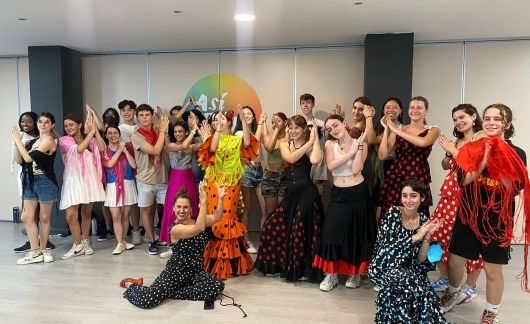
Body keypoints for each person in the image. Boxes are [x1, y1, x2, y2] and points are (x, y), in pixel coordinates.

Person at [441, 104, 529, 324]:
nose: (491, 122)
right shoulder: (472, 148)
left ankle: (491, 311)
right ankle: (454, 291)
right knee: (454, 261)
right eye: (487, 118)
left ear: (506, 124)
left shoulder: (517, 153)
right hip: (469, 214)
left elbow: (513, 187)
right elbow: (464, 180)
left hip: (497, 220)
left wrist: (498, 159)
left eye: (497, 119)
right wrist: (482, 161)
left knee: (492, 269)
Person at [120, 182, 225, 309]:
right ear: (173, 208)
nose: (182, 210)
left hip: (196, 271)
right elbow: (198, 229)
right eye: (179, 207)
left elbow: (217, 217)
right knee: (147, 301)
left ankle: (170, 292)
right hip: (176, 272)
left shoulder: (198, 220)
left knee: (216, 286)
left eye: (185, 207)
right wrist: (203, 202)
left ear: (191, 209)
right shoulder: (175, 229)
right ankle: (131, 284)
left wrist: (221, 199)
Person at [368, 179, 447, 323]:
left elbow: (421, 260)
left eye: (413, 195)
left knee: (421, 288)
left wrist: (427, 237)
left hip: (411, 268)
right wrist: (416, 236)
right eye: (404, 195)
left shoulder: (424, 220)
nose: (408, 200)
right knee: (409, 283)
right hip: (384, 266)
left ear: (422, 198)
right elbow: (388, 251)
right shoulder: (392, 214)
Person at [256, 115, 324, 281]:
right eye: (290, 127)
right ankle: (276, 265)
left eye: (297, 128)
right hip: (291, 193)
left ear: (304, 130)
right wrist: (309, 142)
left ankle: (303, 270)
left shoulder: (309, 146)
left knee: (300, 230)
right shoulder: (285, 143)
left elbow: (316, 159)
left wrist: (314, 139)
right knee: (271, 225)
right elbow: (290, 158)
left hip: (307, 193)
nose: (293, 131)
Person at [313, 115, 376, 291]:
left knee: (355, 234)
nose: (334, 129)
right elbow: (332, 166)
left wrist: (359, 146)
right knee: (331, 232)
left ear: (344, 124)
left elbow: (356, 169)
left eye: (336, 125)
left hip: (358, 193)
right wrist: (351, 152)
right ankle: (331, 275)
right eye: (329, 128)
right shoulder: (329, 145)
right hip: (339, 194)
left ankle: (354, 273)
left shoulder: (360, 142)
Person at [429, 104, 485, 301]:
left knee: (468, 241)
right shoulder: (459, 140)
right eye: (454, 119)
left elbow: (475, 166)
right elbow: (447, 165)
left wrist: (454, 151)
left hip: (468, 195)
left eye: (462, 117)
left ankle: (470, 286)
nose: (458, 122)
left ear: (473, 117)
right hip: (449, 194)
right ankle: (446, 278)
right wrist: (448, 152)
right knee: (439, 235)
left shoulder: (481, 139)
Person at [198, 109, 257, 279]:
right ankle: (211, 260)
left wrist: (244, 122)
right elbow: (213, 147)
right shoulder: (211, 138)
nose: (219, 122)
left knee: (227, 217)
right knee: (212, 218)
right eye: (215, 120)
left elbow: (247, 143)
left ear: (230, 122)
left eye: (222, 119)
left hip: (231, 184)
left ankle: (228, 261)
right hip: (213, 184)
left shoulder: (235, 139)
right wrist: (216, 130)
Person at [378, 96, 439, 216]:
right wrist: (386, 130)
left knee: (416, 215)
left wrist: (395, 130)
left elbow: (422, 142)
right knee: (394, 215)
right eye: (412, 107)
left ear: (426, 110)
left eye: (419, 108)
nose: (415, 110)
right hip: (396, 177)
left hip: (418, 176)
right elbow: (382, 155)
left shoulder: (433, 130)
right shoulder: (399, 130)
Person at [12, 112, 58, 264]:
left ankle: (43, 250)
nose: (43, 125)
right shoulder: (33, 142)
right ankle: (35, 251)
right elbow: (20, 160)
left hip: (45, 181)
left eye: (47, 122)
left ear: (52, 125)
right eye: (40, 122)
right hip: (30, 180)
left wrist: (18, 140)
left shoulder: (51, 141)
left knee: (44, 218)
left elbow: (28, 158)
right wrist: (16, 143)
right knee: (26, 216)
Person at [59, 109, 106, 259]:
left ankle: (85, 242)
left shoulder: (90, 139)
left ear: (79, 125)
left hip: (89, 179)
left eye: (71, 125)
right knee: (71, 214)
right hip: (73, 179)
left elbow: (102, 148)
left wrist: (94, 132)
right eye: (66, 126)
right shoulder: (64, 140)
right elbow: (79, 150)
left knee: (86, 212)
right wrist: (91, 133)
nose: (68, 128)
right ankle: (77, 244)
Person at [159, 117, 201, 257]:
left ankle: (189, 243)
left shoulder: (191, 144)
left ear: (185, 132)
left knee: (190, 210)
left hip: (188, 177)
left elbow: (202, 143)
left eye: (181, 131)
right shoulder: (170, 145)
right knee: (173, 210)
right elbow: (183, 147)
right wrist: (193, 131)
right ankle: (172, 245)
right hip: (175, 178)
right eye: (175, 131)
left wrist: (196, 129)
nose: (177, 134)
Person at [131, 104, 170, 255]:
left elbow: (166, 149)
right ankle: (152, 240)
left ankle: (168, 238)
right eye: (141, 115)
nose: (145, 118)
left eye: (147, 115)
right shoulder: (136, 135)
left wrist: (163, 131)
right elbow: (155, 150)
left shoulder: (158, 130)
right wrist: (162, 131)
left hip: (162, 178)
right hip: (145, 180)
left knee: (168, 209)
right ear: (137, 117)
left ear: (151, 116)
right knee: (146, 211)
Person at [95, 125, 138, 255]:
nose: (113, 135)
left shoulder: (127, 148)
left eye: (115, 133)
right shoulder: (104, 151)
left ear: (119, 134)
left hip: (128, 183)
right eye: (110, 133)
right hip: (113, 185)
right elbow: (109, 164)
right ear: (106, 135)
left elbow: (134, 165)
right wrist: (120, 150)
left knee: (126, 216)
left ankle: (123, 241)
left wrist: (125, 151)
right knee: (116, 216)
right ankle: (119, 243)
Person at [234, 105, 266, 254]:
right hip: (246, 172)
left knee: (265, 208)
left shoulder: (253, 130)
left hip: (259, 171)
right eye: (244, 113)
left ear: (253, 116)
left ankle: (266, 241)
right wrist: (260, 123)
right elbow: (254, 141)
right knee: (246, 210)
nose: (247, 115)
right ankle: (246, 241)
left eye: (249, 113)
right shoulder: (240, 132)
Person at [117, 99, 142, 245]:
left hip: (143, 167)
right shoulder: (119, 129)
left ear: (134, 112)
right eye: (124, 110)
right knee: (130, 201)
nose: (127, 112)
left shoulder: (140, 127)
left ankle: (138, 230)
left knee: (140, 202)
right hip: (126, 168)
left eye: (130, 110)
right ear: (120, 112)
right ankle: (130, 232)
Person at [260, 112, 288, 217]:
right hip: (270, 177)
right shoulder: (269, 137)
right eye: (273, 122)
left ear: (285, 123)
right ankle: (270, 233)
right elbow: (270, 148)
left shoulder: (289, 137)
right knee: (271, 214)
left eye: (278, 121)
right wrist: (276, 128)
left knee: (283, 212)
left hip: (285, 177)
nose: (275, 124)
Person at [299, 93, 327, 195]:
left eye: (308, 102)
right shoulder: (296, 124)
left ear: (313, 104)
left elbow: (328, 144)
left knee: (316, 197)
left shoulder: (322, 124)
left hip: (317, 167)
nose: (305, 105)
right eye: (303, 103)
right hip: (301, 167)